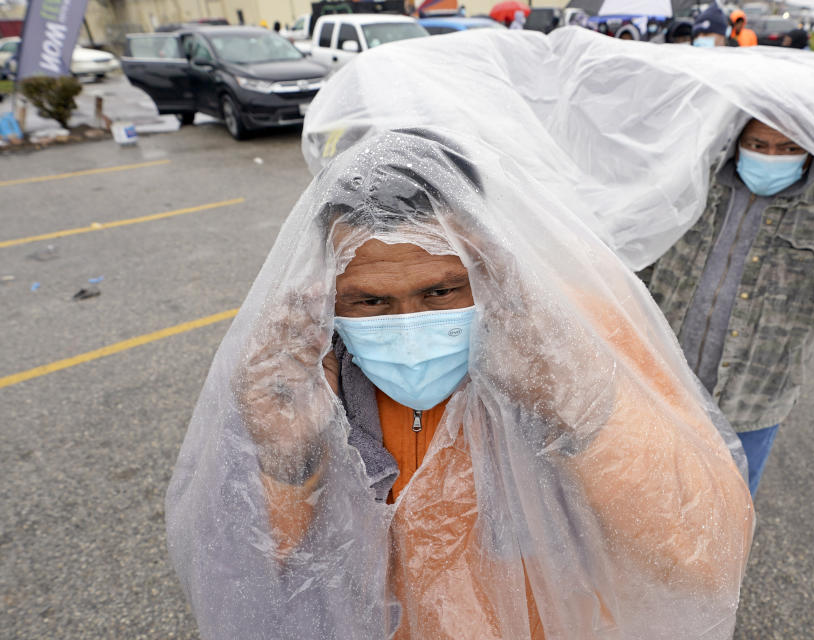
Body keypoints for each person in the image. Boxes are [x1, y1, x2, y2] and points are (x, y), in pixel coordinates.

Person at [167, 129, 755, 639]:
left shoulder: (579, 337)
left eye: (441, 291)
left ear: (486, 253)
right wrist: (285, 461)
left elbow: (700, 553)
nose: (409, 327)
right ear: (327, 286)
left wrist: (579, 409)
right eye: (370, 300)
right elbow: (234, 586)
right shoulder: (292, 368)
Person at [641, 118, 814, 496]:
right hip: (652, 386)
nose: (770, 158)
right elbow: (632, 266)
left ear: (811, 149)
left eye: (788, 149)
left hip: (747, 405)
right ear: (736, 138)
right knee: (629, 502)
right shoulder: (692, 178)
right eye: (758, 144)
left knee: (716, 524)